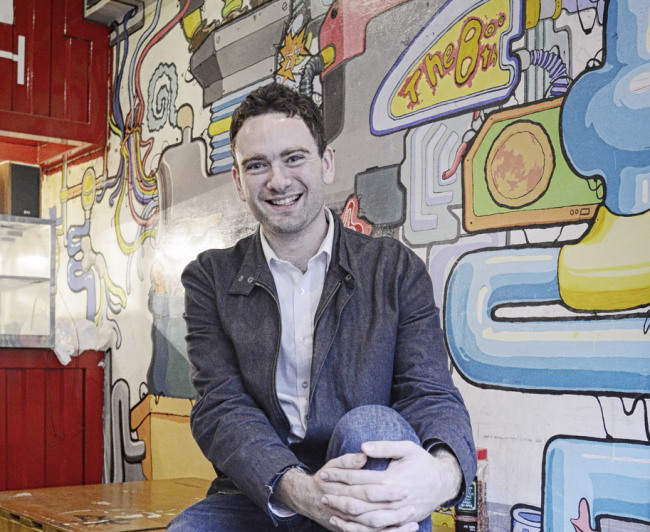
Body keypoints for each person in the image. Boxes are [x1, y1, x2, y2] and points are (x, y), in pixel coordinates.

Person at [167, 82, 476, 532]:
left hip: (361, 488)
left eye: (294, 157)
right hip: (263, 494)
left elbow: (430, 392)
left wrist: (443, 477)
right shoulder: (209, 279)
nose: (277, 180)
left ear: (326, 164)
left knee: (372, 426)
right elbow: (221, 406)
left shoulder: (394, 269)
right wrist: (301, 491)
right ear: (238, 181)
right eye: (257, 165)